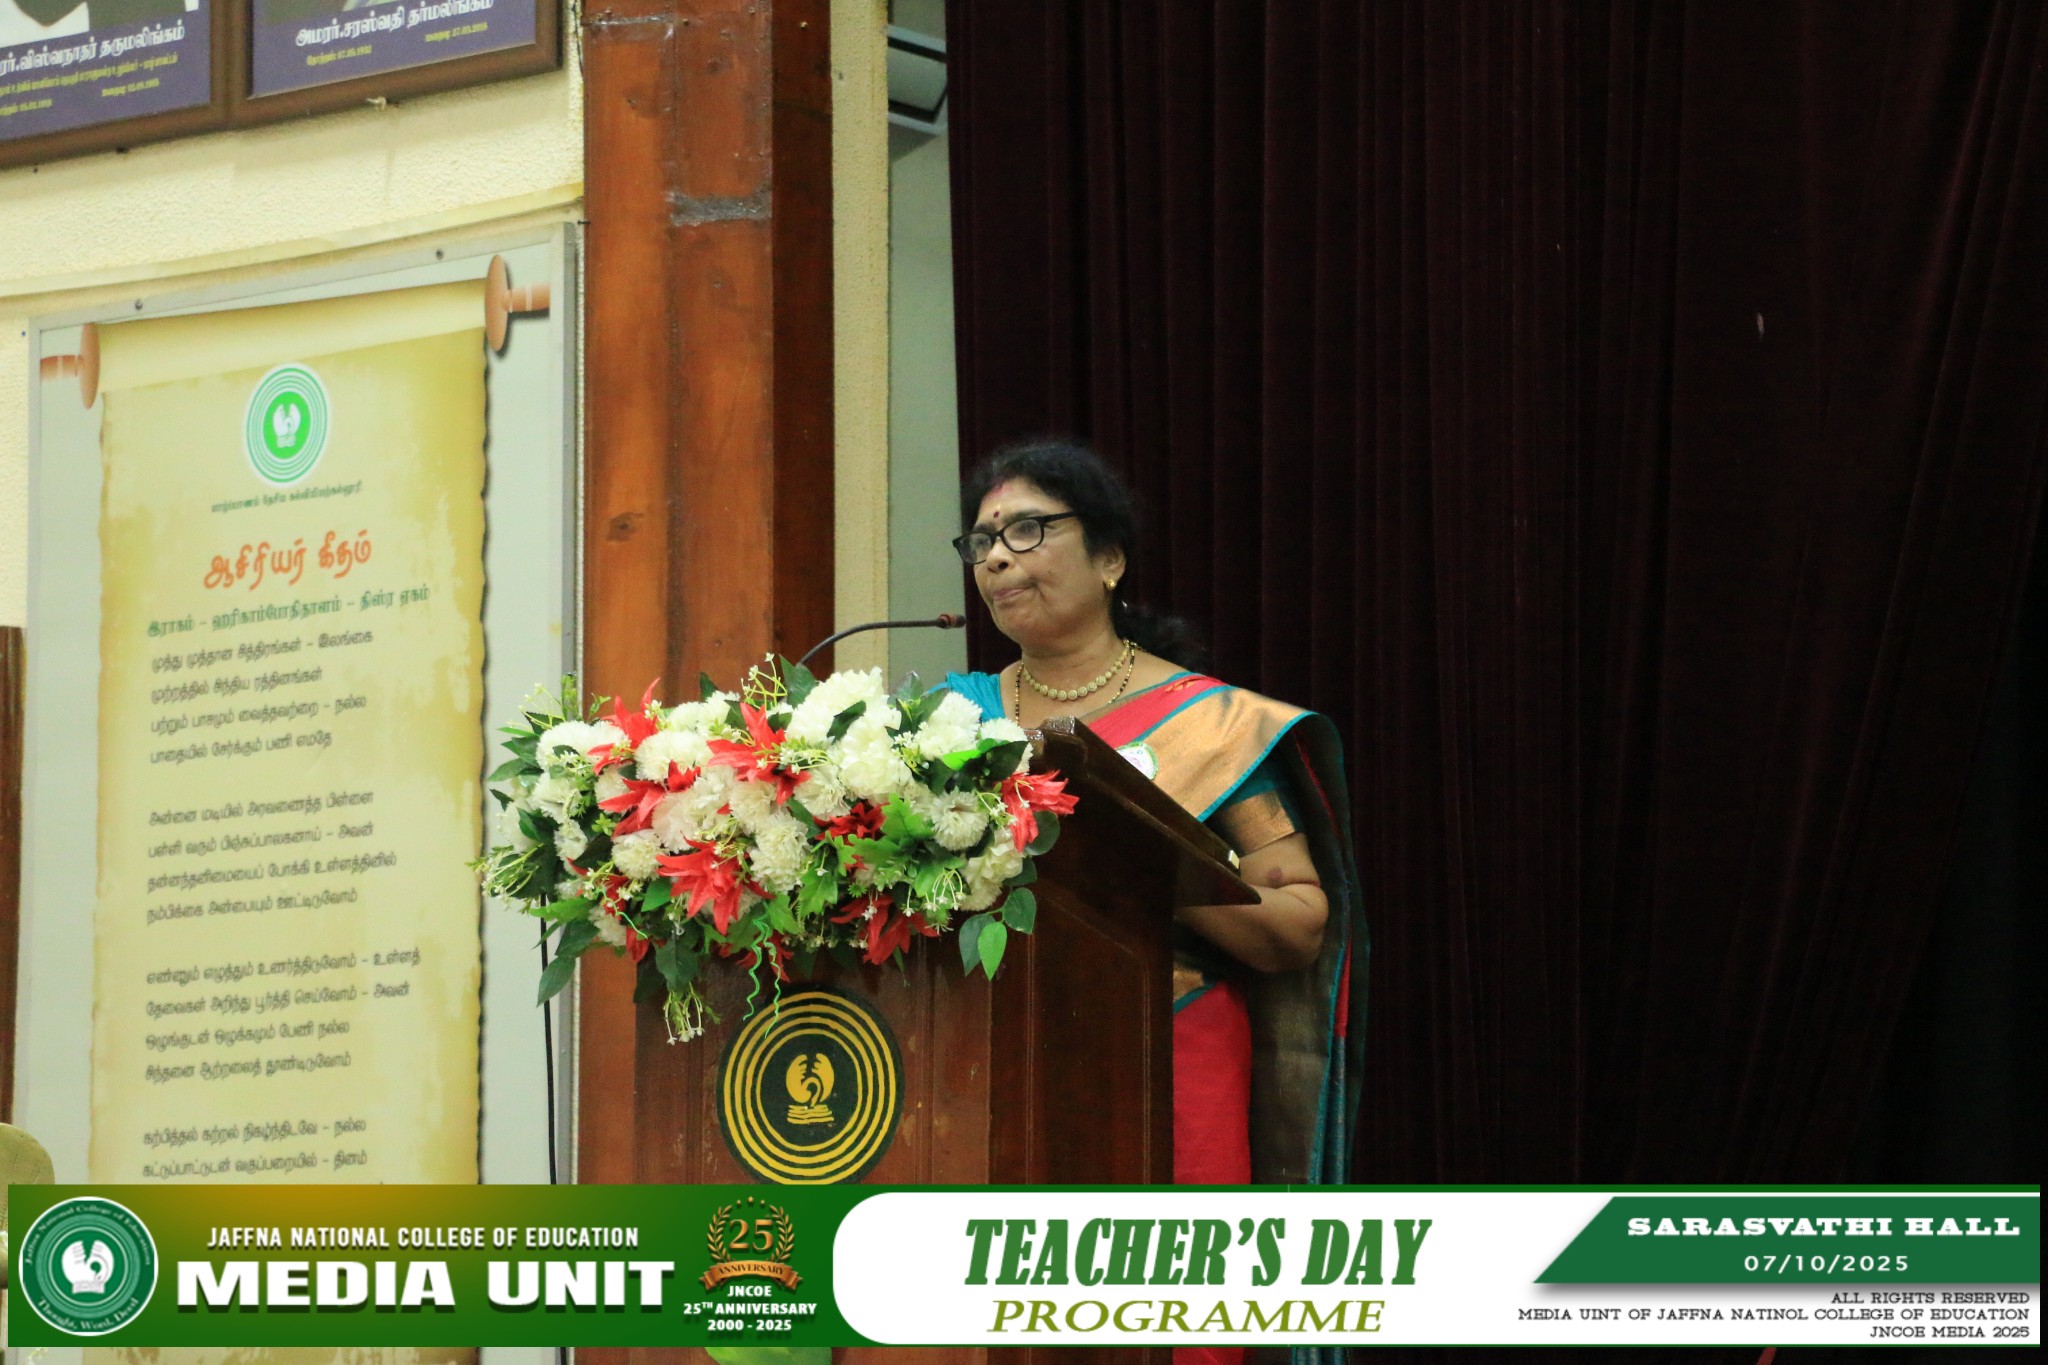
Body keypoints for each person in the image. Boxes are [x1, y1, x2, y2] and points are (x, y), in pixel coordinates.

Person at [943, 439, 1367, 1199]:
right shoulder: (945, 720)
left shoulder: (1213, 727)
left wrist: (1143, 867)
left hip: (1168, 1054)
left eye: (1028, 530)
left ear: (1110, 559)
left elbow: (1300, 924)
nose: (997, 557)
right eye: (982, 541)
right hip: (982, 1055)